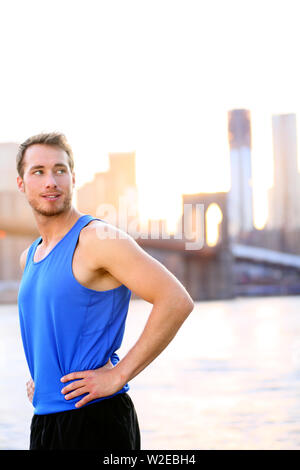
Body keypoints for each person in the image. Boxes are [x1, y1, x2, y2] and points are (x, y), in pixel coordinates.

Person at [16, 132, 194, 451]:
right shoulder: (29, 257)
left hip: (96, 420)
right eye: (38, 171)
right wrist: (42, 381)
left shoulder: (98, 238)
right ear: (21, 184)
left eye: (60, 169)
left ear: (73, 178)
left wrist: (118, 375)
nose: (50, 181)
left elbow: (176, 300)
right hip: (45, 420)